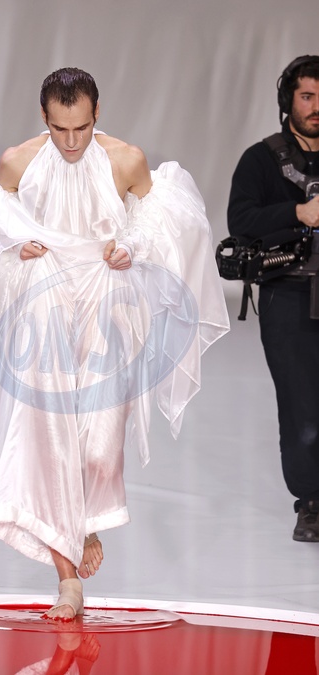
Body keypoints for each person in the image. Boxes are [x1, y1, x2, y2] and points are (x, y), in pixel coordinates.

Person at [0, 67, 229, 620]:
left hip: (108, 301)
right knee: (46, 434)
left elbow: (167, 221)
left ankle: (86, 519)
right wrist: (14, 248)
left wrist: (131, 245)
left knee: (99, 440)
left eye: (82, 128)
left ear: (97, 115)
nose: (72, 141)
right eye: (60, 128)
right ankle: (68, 579)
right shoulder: (17, 163)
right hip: (39, 303)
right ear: (44, 118)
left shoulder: (126, 160)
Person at [227, 55, 319, 541]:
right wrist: (298, 213)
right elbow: (240, 222)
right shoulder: (261, 160)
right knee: (302, 404)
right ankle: (312, 503)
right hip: (288, 294)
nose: (316, 106)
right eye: (307, 96)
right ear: (288, 101)